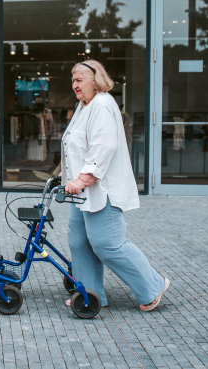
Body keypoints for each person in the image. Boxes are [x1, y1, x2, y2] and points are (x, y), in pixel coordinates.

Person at [62, 59, 170, 312]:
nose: (74, 85)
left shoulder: (101, 103)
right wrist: (65, 176)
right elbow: (75, 146)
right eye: (73, 80)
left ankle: (153, 286)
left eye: (79, 80)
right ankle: (91, 295)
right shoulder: (83, 106)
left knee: (107, 244)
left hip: (102, 189)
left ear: (95, 79)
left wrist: (83, 179)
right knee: (79, 242)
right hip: (81, 190)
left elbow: (104, 145)